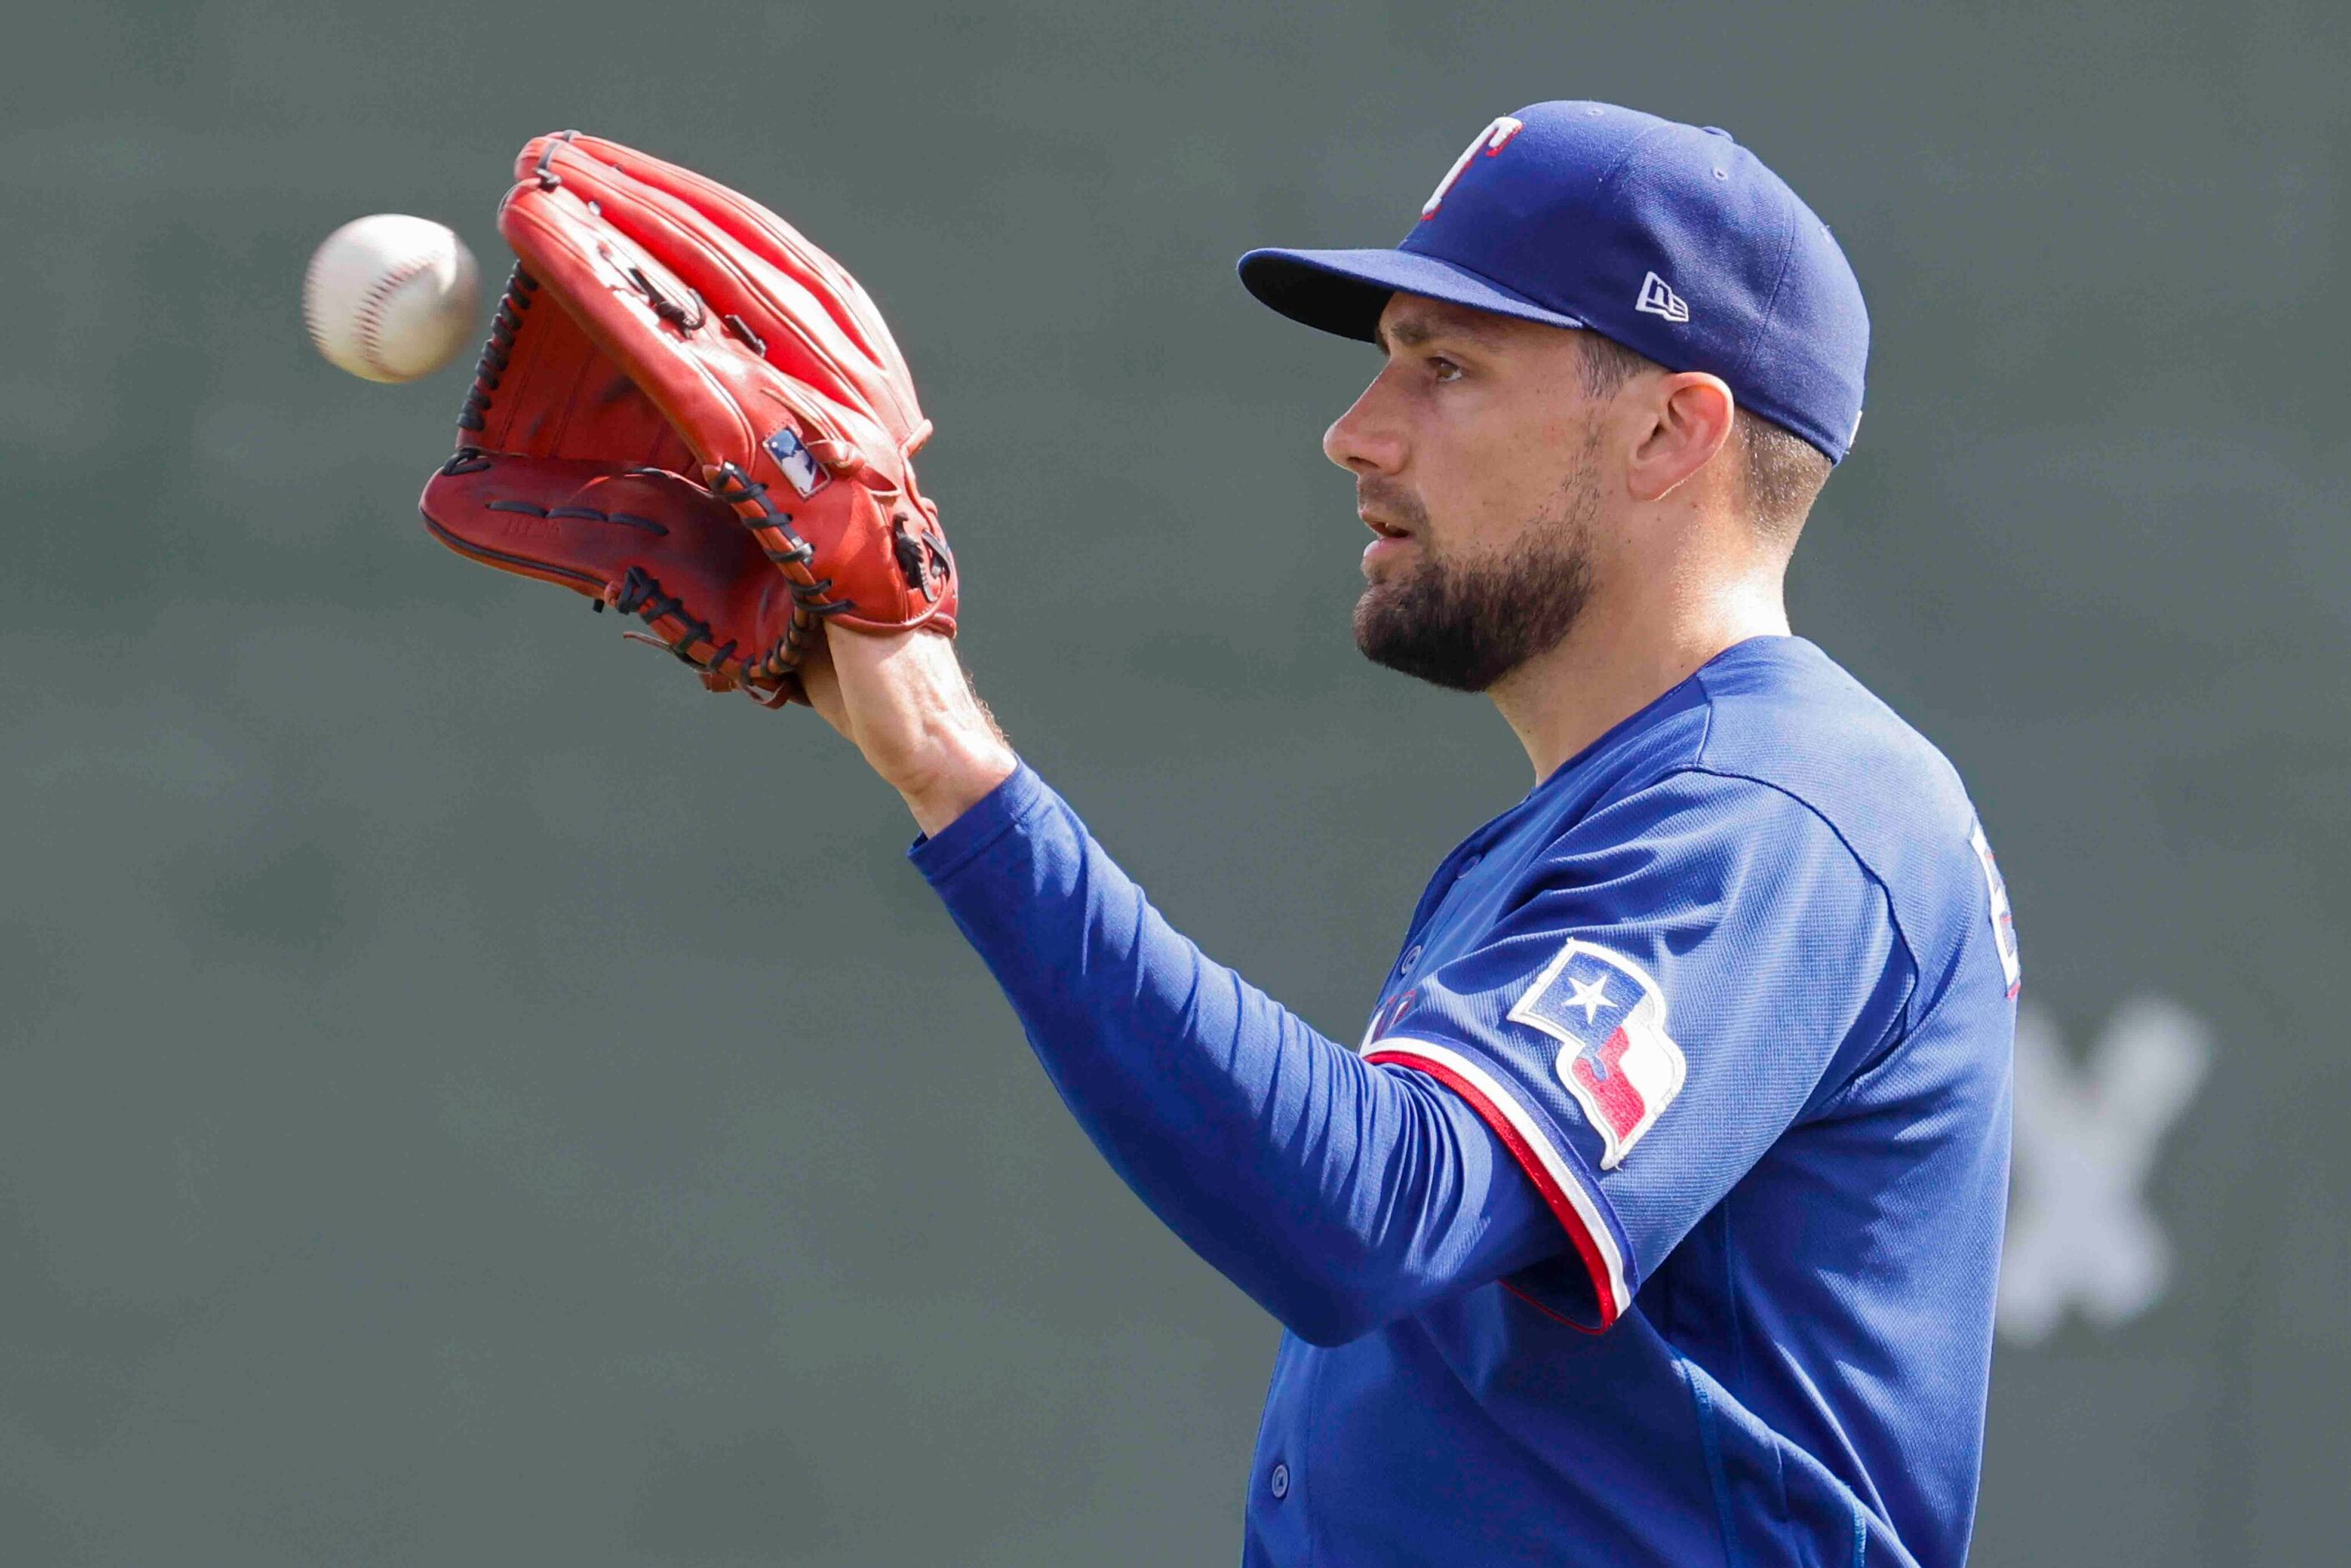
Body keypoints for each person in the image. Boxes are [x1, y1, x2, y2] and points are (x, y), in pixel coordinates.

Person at [796, 101, 2017, 1568]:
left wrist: (951, 766)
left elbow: (1374, 1212)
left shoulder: (1782, 810)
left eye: (1446, 366)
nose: (1355, 432)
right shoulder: (1647, 806)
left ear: (1666, 430)